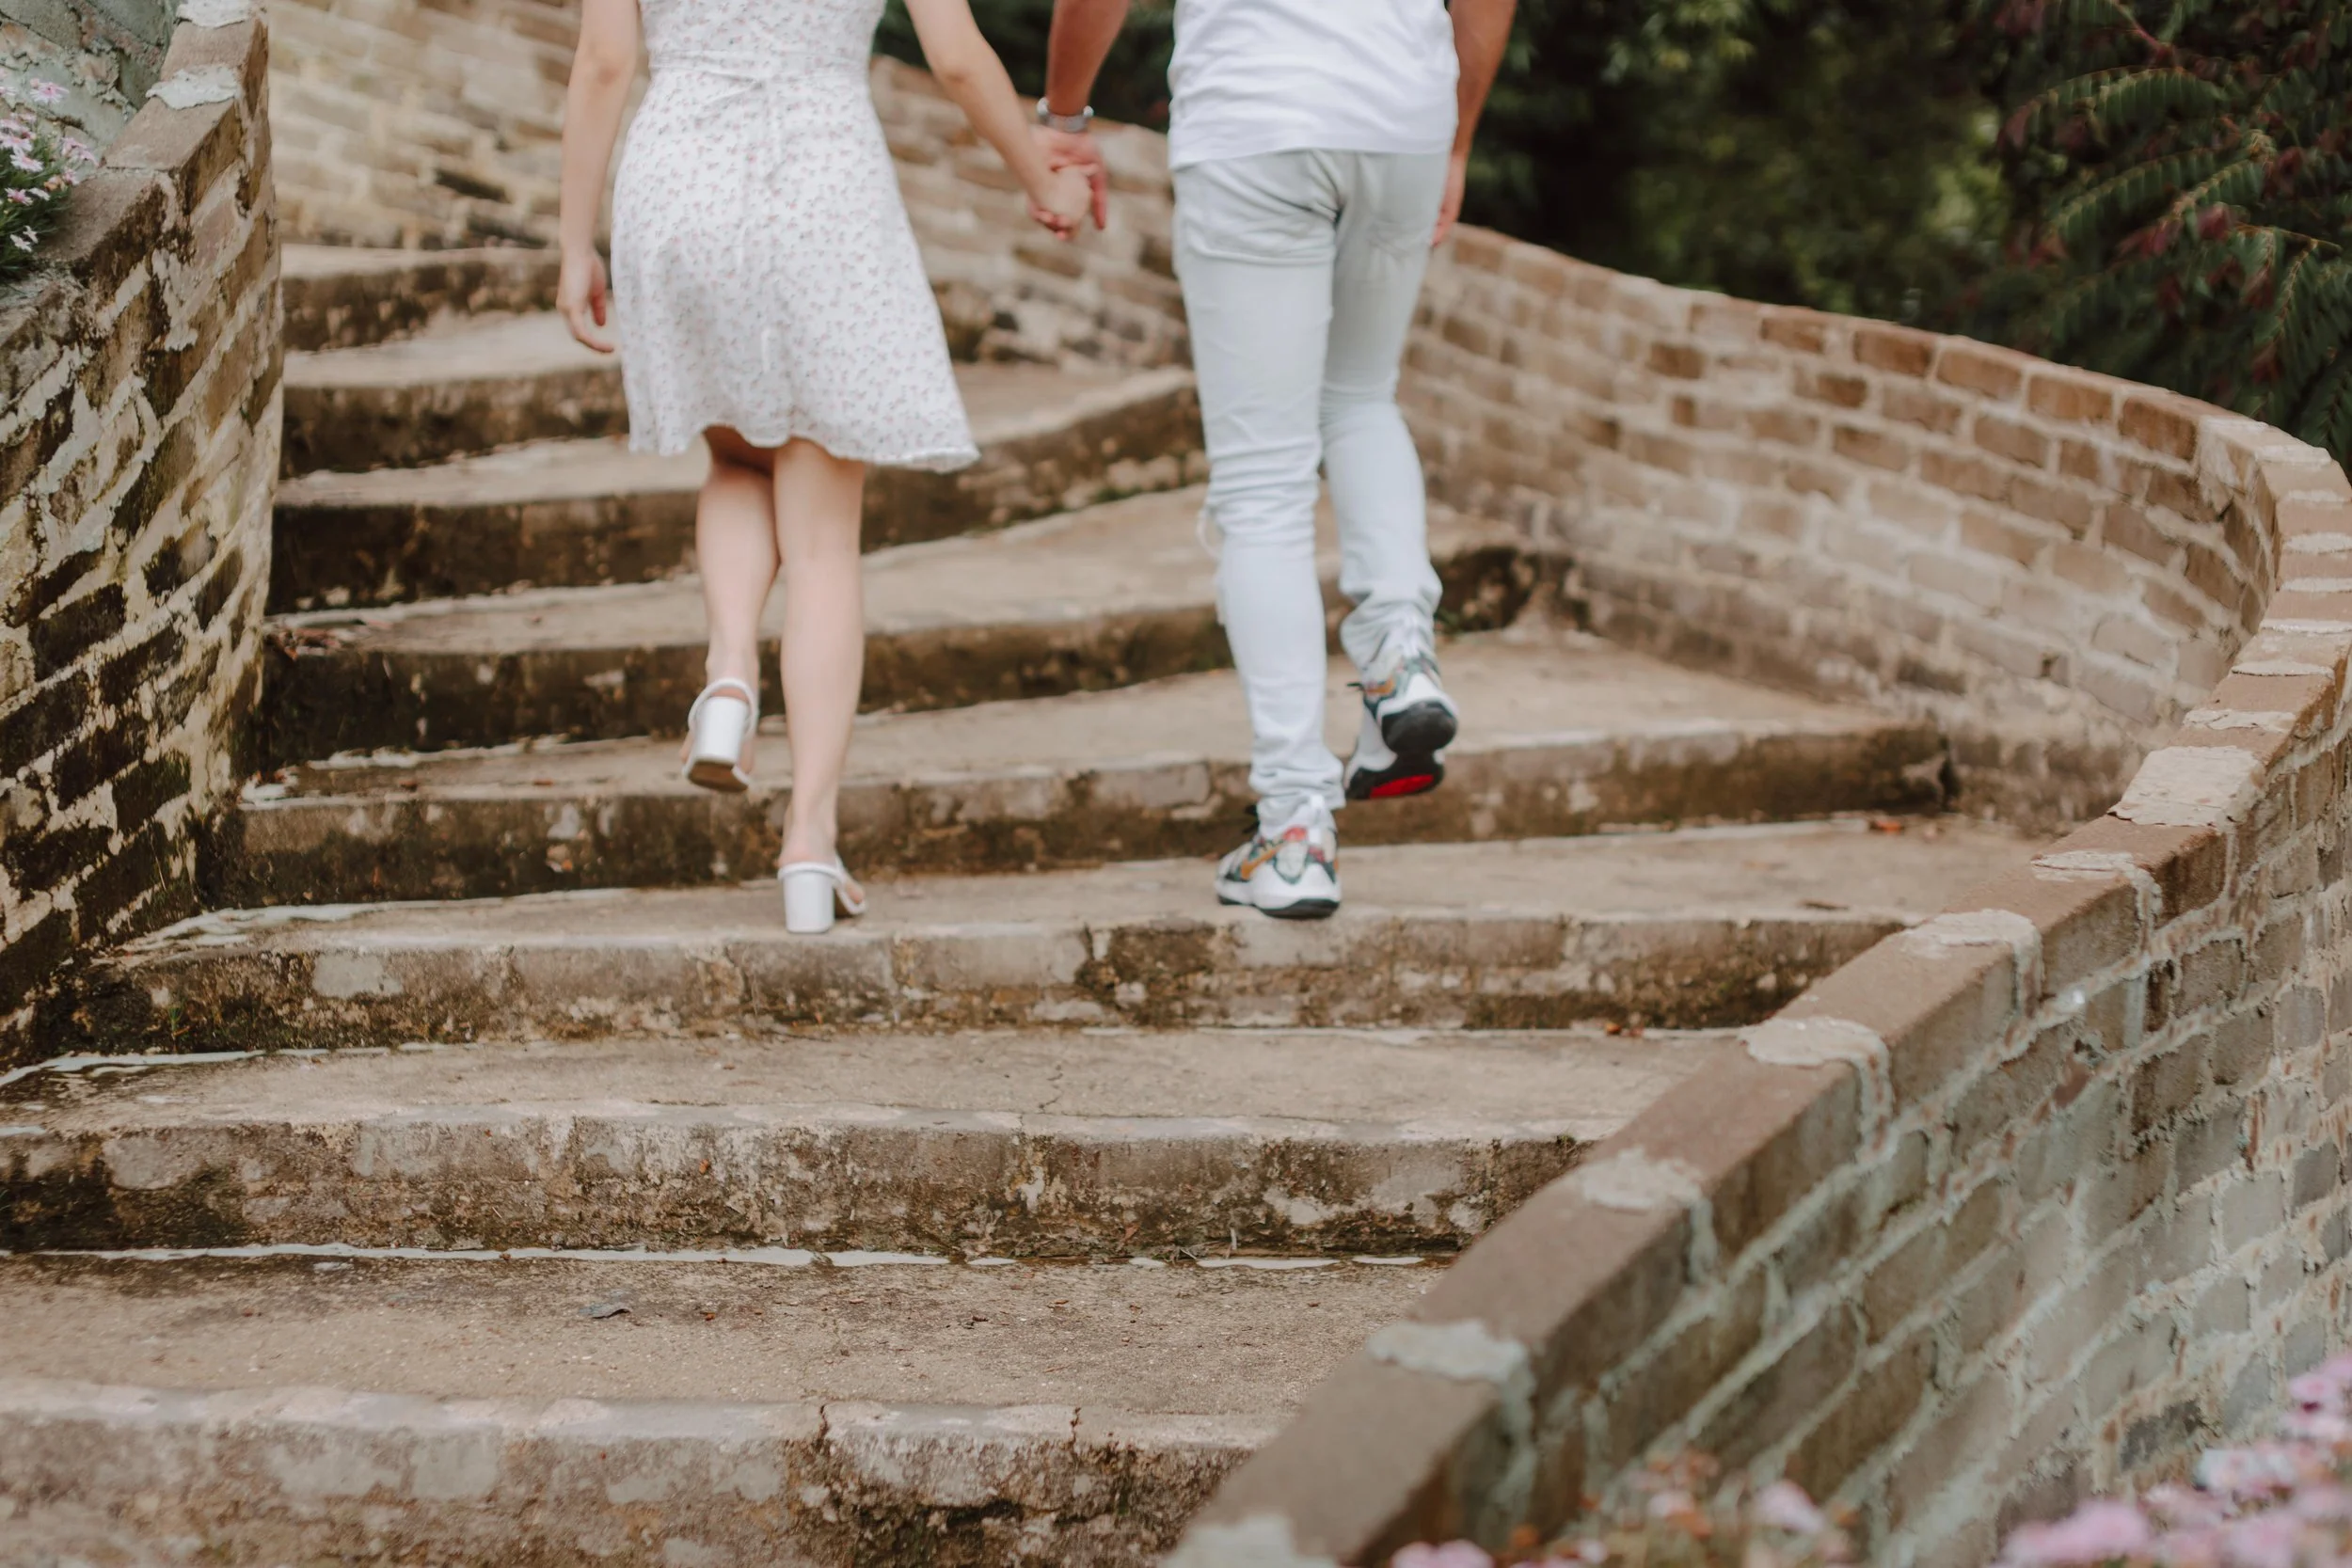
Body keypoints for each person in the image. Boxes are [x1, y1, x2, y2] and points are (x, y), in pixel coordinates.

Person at [554, 0, 1094, 933]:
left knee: (733, 457)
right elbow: (957, 58)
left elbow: (605, 59)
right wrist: (1040, 174)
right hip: (821, 186)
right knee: (822, 541)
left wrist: (571, 241)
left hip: (682, 178)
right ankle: (808, 836)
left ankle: (728, 672)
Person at [1041, 0, 1517, 919]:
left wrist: (1065, 115)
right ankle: (1399, 656)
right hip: (1401, 118)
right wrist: (1452, 141)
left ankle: (1296, 830)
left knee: (1263, 486)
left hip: (1255, 118)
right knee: (1361, 395)